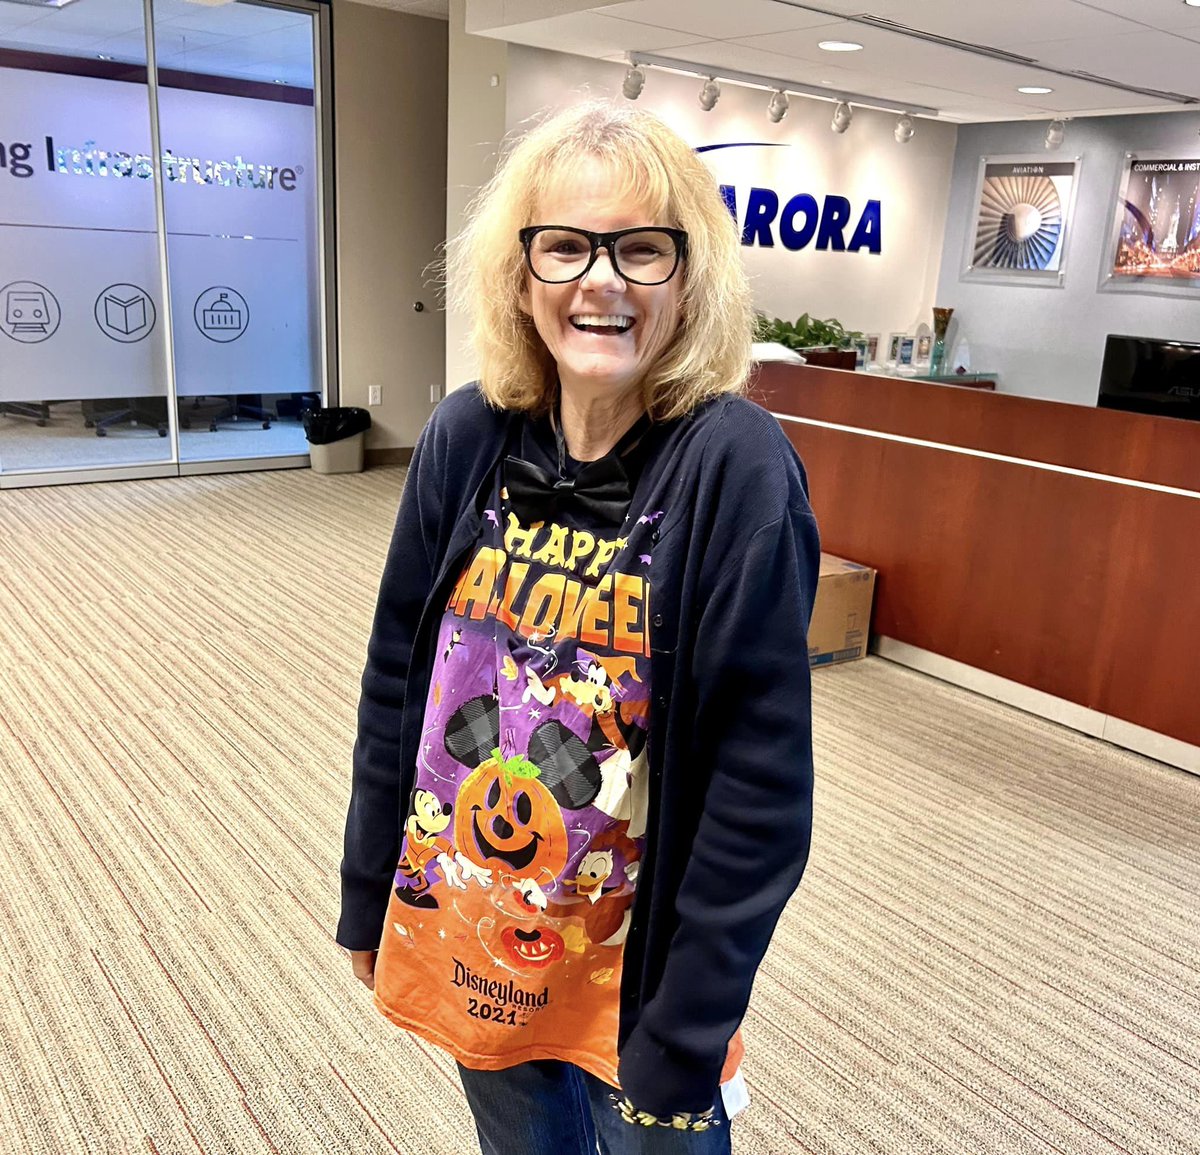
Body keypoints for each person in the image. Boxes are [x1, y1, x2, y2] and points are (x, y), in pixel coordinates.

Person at [337, 100, 820, 1155]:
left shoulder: (735, 468)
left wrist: (690, 1026)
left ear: (689, 280)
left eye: (641, 250)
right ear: (522, 276)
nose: (601, 280)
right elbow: (397, 682)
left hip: (638, 985)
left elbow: (759, 783)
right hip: (478, 933)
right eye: (565, 247)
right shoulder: (467, 433)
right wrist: (369, 885)